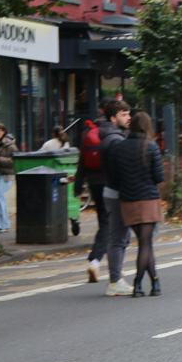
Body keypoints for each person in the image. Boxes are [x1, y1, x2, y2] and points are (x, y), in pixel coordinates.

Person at [113, 112, 164, 297]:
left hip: (128, 200)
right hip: (148, 200)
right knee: (145, 243)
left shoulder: (120, 147)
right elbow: (159, 177)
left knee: (145, 243)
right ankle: (138, 284)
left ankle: (155, 282)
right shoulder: (151, 147)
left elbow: (114, 177)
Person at [75, 99, 113, 282]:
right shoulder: (113, 130)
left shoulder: (91, 130)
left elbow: (82, 160)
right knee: (111, 224)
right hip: (111, 181)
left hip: (94, 181)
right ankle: (96, 261)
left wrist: (77, 187)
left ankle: (99, 262)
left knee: (104, 221)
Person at [100, 100, 134, 296]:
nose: (128, 117)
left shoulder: (114, 137)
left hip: (113, 192)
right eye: (123, 114)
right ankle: (115, 282)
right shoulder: (114, 140)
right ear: (113, 118)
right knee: (118, 237)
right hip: (116, 193)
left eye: (128, 114)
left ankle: (116, 278)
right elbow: (117, 171)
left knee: (122, 237)